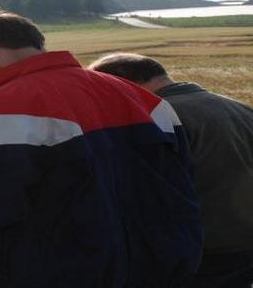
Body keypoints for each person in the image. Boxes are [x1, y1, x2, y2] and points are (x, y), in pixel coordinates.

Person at [0, 11, 202, 288]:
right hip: (159, 263)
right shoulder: (144, 99)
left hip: (53, 269)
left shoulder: (5, 106)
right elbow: (183, 179)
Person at [89, 53, 253, 288]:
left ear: (122, 83)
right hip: (242, 244)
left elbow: (146, 193)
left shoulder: (158, 119)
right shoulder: (239, 107)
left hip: (201, 250)